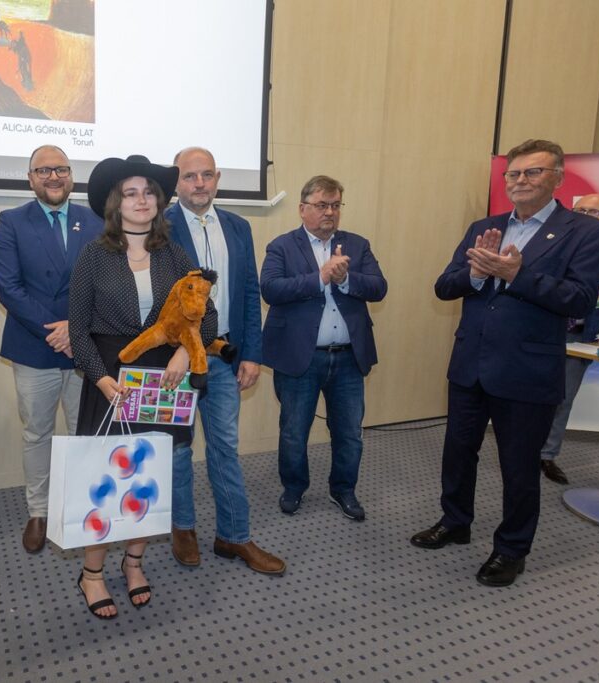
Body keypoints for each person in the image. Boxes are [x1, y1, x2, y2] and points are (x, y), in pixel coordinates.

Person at [411, 139, 599, 587]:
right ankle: (455, 522)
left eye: (532, 172)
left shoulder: (584, 231)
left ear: (557, 178)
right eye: (513, 173)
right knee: (457, 452)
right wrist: (476, 273)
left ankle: (511, 549)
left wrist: (517, 275)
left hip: (527, 371)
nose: (520, 181)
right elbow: (445, 286)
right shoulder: (485, 226)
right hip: (470, 363)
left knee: (519, 466)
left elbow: (579, 299)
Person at [69, 155, 217, 618]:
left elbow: (207, 316)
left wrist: (183, 354)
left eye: (149, 192)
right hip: (110, 379)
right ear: (116, 203)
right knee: (105, 482)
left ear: (159, 201)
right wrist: (101, 378)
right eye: (131, 193)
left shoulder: (175, 254)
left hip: (162, 381)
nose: (141, 200)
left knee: (147, 480)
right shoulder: (94, 255)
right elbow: (78, 330)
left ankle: (134, 564)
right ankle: (91, 573)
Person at [165, 147, 284, 574]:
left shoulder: (238, 226)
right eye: (190, 176)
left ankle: (233, 535)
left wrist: (252, 353)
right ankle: (183, 528)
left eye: (207, 175)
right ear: (176, 182)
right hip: (177, 361)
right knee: (177, 450)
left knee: (225, 448)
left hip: (225, 356)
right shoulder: (160, 227)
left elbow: (250, 292)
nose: (199, 183)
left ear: (217, 179)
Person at [0, 145, 103, 553]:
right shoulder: (12, 221)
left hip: (84, 347)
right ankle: (38, 511)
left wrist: (76, 329)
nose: (53, 177)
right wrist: (55, 332)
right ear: (30, 178)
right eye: (43, 170)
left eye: (61, 169)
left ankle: (79, 506)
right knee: (37, 433)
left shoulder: (96, 222)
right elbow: (9, 288)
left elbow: (107, 282)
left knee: (82, 433)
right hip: (33, 346)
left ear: (71, 176)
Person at [260, 175, 387, 522]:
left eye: (335, 205)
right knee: (294, 431)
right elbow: (271, 289)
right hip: (299, 357)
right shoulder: (281, 246)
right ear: (303, 209)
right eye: (321, 205)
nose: (329, 212)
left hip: (348, 357)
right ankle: (294, 487)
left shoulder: (357, 245)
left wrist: (346, 279)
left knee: (349, 433)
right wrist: (321, 277)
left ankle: (343, 489)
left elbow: (378, 287)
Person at [539, 194, 599, 484]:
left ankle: (546, 455)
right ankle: (519, 449)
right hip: (542, 331)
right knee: (527, 394)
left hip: (581, 337)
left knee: (564, 398)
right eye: (581, 210)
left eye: (595, 212)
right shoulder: (550, 244)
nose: (587, 216)